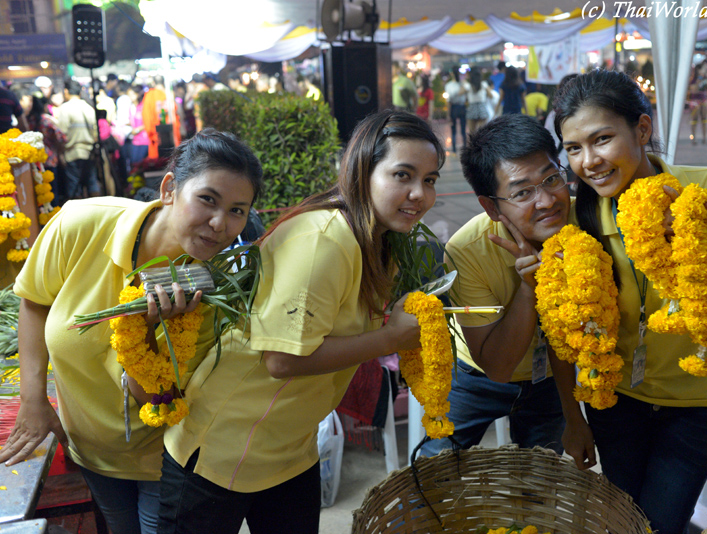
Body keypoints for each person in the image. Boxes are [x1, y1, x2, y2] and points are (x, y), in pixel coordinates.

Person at [156, 110, 443, 534]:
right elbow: (281, 360)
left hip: (291, 449)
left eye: (431, 179)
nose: (419, 193)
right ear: (363, 171)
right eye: (403, 175)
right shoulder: (324, 240)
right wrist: (390, 338)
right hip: (226, 445)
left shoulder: (379, 241)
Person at [0, 129, 264, 534]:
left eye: (237, 210)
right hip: (90, 448)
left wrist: (146, 331)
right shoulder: (82, 224)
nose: (219, 224)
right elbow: (35, 301)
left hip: (170, 457)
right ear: (170, 188)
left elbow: (159, 403)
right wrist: (34, 400)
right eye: (208, 199)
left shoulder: (216, 292)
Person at [553, 69, 707, 534]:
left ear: (642, 129)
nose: (589, 161)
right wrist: (573, 418)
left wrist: (679, 254)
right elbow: (562, 335)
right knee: (625, 522)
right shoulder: (578, 218)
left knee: (659, 524)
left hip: (698, 406)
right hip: (615, 403)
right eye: (573, 148)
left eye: (602, 139)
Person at [419, 114, 568, 458]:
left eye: (552, 178)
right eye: (523, 192)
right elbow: (497, 367)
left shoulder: (583, 225)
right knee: (432, 473)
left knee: (540, 480)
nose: (546, 201)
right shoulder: (466, 249)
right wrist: (528, 286)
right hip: (478, 374)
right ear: (491, 206)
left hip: (549, 377)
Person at [56, 79, 101, 200]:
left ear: (66, 91)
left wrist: (60, 153)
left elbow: (61, 135)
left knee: (74, 186)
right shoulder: (89, 108)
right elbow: (96, 134)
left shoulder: (64, 109)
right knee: (92, 183)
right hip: (89, 152)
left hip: (72, 153)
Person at [444, 67, 467, 154]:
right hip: (461, 106)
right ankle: (464, 148)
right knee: (463, 129)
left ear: (451, 74)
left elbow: (448, 100)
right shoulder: (462, 84)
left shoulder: (449, 85)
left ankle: (454, 150)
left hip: (454, 107)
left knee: (453, 129)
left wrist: (448, 114)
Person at [688, 64, 707, 145]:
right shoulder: (694, 80)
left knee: (704, 120)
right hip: (695, 101)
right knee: (694, 120)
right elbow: (694, 89)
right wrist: (700, 78)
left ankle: (705, 138)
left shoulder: (705, 78)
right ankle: (694, 138)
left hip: (704, 100)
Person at [464, 69, 491, 134]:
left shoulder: (468, 85)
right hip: (482, 107)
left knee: (472, 133)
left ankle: (473, 144)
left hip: (472, 107)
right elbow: (491, 95)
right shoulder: (483, 84)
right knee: (482, 133)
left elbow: (459, 93)